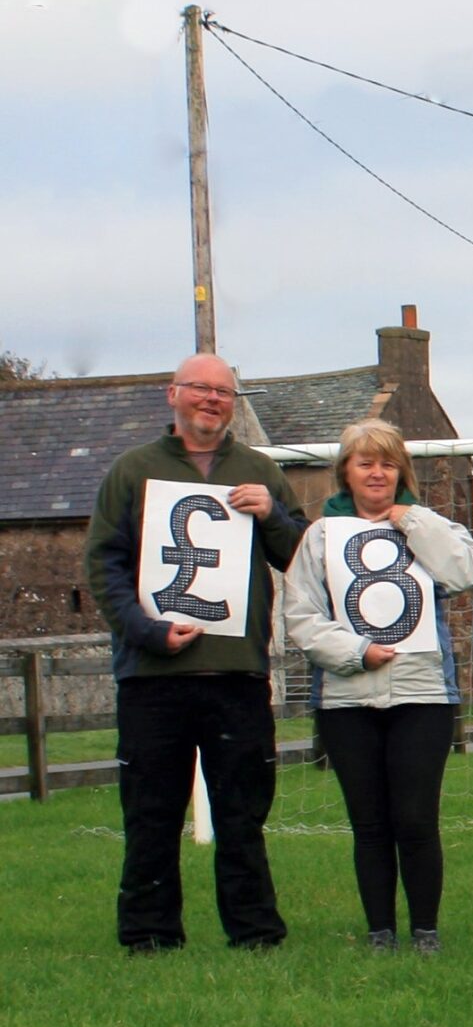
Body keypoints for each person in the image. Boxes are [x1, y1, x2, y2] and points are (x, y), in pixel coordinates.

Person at [83, 353, 307, 953]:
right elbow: (102, 564)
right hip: (153, 677)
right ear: (172, 395)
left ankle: (256, 933)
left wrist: (273, 516)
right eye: (199, 389)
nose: (211, 400)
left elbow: (302, 559)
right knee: (151, 814)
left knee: (243, 817)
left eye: (223, 392)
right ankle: (149, 935)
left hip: (237, 674)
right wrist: (147, 631)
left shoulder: (259, 469)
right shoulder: (133, 471)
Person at [282, 420, 473, 953]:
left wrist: (412, 521)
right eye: (365, 462)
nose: (377, 473)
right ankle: (379, 933)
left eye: (388, 463)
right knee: (369, 823)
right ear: (344, 472)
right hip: (346, 700)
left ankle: (425, 932)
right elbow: (300, 616)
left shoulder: (426, 524)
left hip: (423, 696)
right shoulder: (320, 537)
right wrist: (355, 654)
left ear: (402, 472)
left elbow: (465, 570)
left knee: (416, 819)